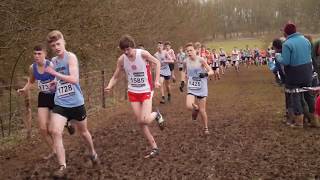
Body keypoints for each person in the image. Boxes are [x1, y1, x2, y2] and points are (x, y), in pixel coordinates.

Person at [44, 30, 99, 177]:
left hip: (76, 103)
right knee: (55, 131)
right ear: (51, 47)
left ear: (63, 42)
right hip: (60, 103)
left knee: (83, 132)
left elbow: (74, 79)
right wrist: (54, 84)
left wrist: (54, 74)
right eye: (53, 45)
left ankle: (92, 152)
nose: (56, 47)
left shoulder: (71, 57)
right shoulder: (54, 62)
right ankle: (63, 166)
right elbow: (59, 79)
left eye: (58, 43)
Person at [105, 35, 165, 158]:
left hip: (146, 90)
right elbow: (116, 76)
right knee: (141, 123)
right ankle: (154, 147)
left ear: (133, 47)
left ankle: (156, 114)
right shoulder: (121, 60)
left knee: (145, 120)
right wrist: (109, 86)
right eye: (124, 50)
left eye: (128, 49)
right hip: (132, 92)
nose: (127, 52)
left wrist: (157, 80)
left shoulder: (142, 54)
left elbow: (157, 62)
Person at [17, 44, 56, 158]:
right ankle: (54, 150)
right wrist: (24, 89)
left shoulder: (51, 65)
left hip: (54, 97)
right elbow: (31, 81)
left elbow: (59, 80)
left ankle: (59, 145)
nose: (36, 56)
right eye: (35, 53)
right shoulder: (32, 67)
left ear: (45, 54)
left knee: (52, 129)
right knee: (43, 129)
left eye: (39, 53)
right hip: (43, 97)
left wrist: (54, 85)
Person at [277, 23, 315, 128]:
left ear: (286, 32)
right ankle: (315, 120)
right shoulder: (306, 40)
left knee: (295, 95)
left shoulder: (287, 44)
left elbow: (286, 62)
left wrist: (278, 56)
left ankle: (299, 122)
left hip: (294, 74)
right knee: (308, 94)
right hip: (308, 72)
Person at [184, 43, 213, 135]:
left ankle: (206, 127)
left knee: (202, 110)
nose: (189, 52)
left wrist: (205, 74)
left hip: (202, 87)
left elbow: (211, 71)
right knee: (189, 106)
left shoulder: (201, 60)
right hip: (192, 87)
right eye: (187, 51)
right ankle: (195, 109)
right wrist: (182, 81)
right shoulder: (186, 61)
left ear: (195, 51)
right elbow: (183, 71)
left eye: (190, 50)